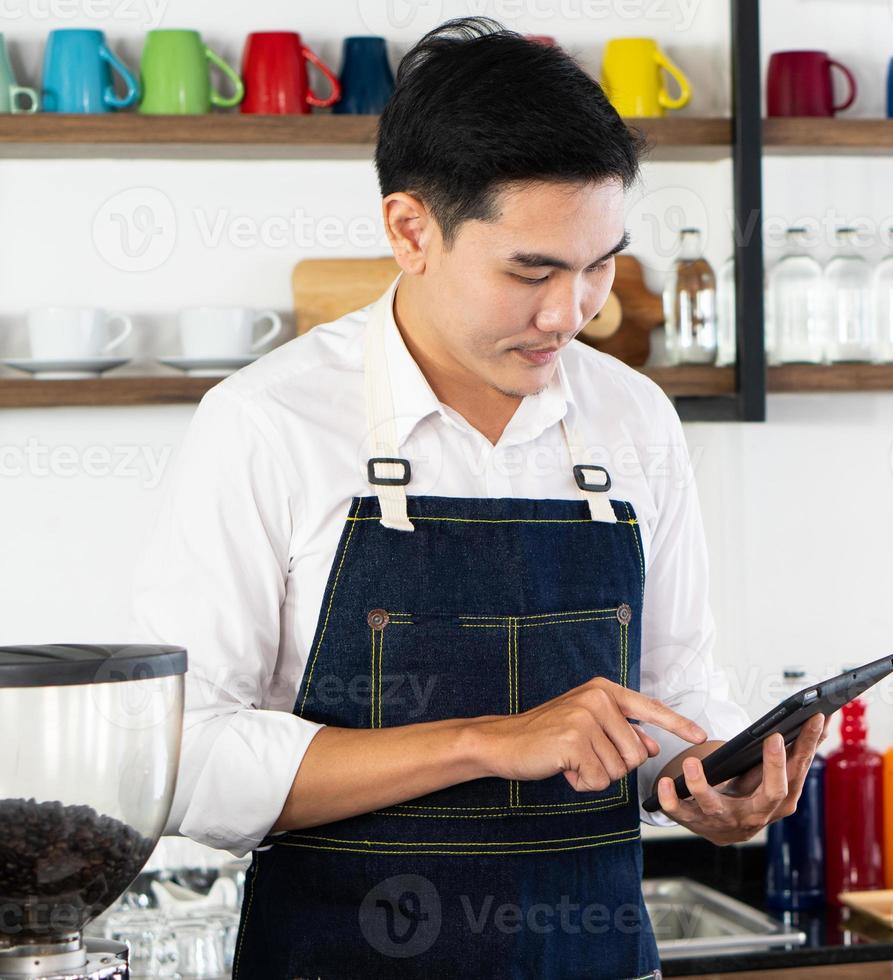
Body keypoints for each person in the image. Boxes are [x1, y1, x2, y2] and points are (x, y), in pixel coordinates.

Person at [131, 18, 825, 978]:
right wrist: (485, 742)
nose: (572, 312)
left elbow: (675, 690)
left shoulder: (635, 420)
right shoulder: (266, 424)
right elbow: (183, 762)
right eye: (531, 271)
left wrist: (705, 780)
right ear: (411, 230)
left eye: (599, 265)